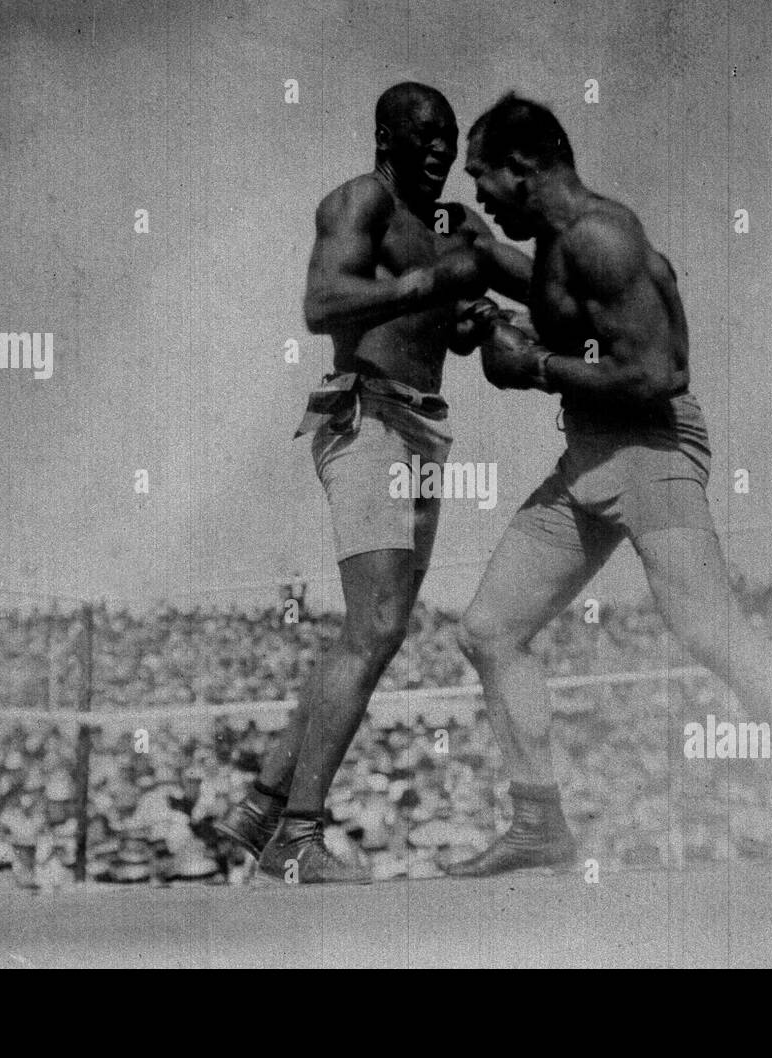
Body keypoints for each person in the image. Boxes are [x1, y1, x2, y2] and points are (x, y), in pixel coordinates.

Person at [445, 94, 772, 877]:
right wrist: (487, 289)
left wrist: (535, 365)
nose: (478, 194)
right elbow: (558, 304)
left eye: (484, 179)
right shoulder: (560, 244)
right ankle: (539, 824)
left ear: (526, 166)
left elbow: (658, 372)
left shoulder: (603, 238)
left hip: (650, 449)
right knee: (488, 629)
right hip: (587, 457)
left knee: (710, 630)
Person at [213, 83, 526, 883]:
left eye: (449, 140)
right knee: (377, 624)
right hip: (367, 418)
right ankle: (298, 834)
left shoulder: (452, 224)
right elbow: (322, 303)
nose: (438, 152)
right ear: (384, 136)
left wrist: (472, 320)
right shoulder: (362, 201)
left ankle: (259, 807)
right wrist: (420, 288)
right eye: (423, 136)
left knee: (373, 630)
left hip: (424, 425)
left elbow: (440, 335)